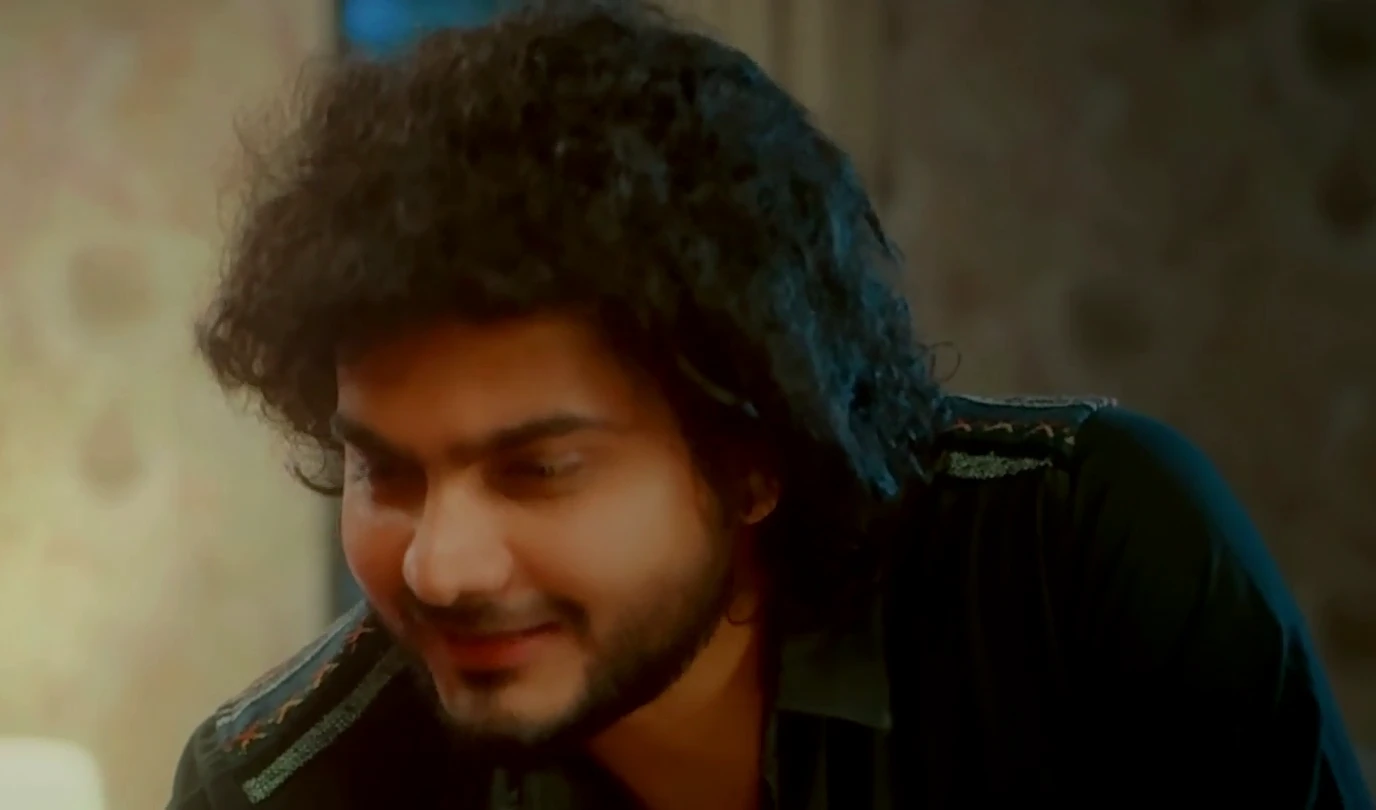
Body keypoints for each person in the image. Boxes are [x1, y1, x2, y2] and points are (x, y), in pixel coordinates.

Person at [166, 1, 1372, 808]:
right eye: (387, 471)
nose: (440, 566)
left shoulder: (1078, 567)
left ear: (753, 453)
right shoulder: (281, 790)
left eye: (540, 469)